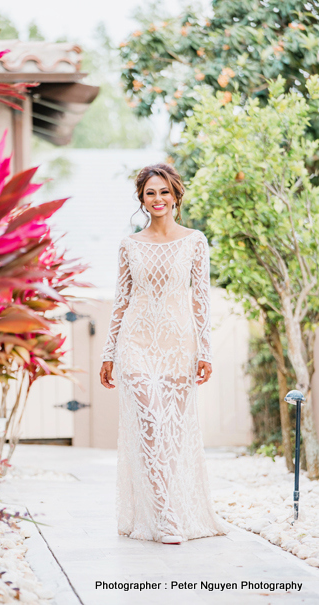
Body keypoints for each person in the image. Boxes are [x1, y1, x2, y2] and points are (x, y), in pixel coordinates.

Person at [99, 163, 228, 545]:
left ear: (176, 197)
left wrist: (204, 351)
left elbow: (201, 300)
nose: (158, 199)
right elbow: (121, 301)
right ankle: (165, 515)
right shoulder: (129, 245)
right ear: (142, 199)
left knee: (170, 430)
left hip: (179, 346)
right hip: (135, 344)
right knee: (151, 424)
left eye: (164, 192)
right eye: (150, 193)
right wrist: (109, 353)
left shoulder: (195, 241)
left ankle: (168, 507)